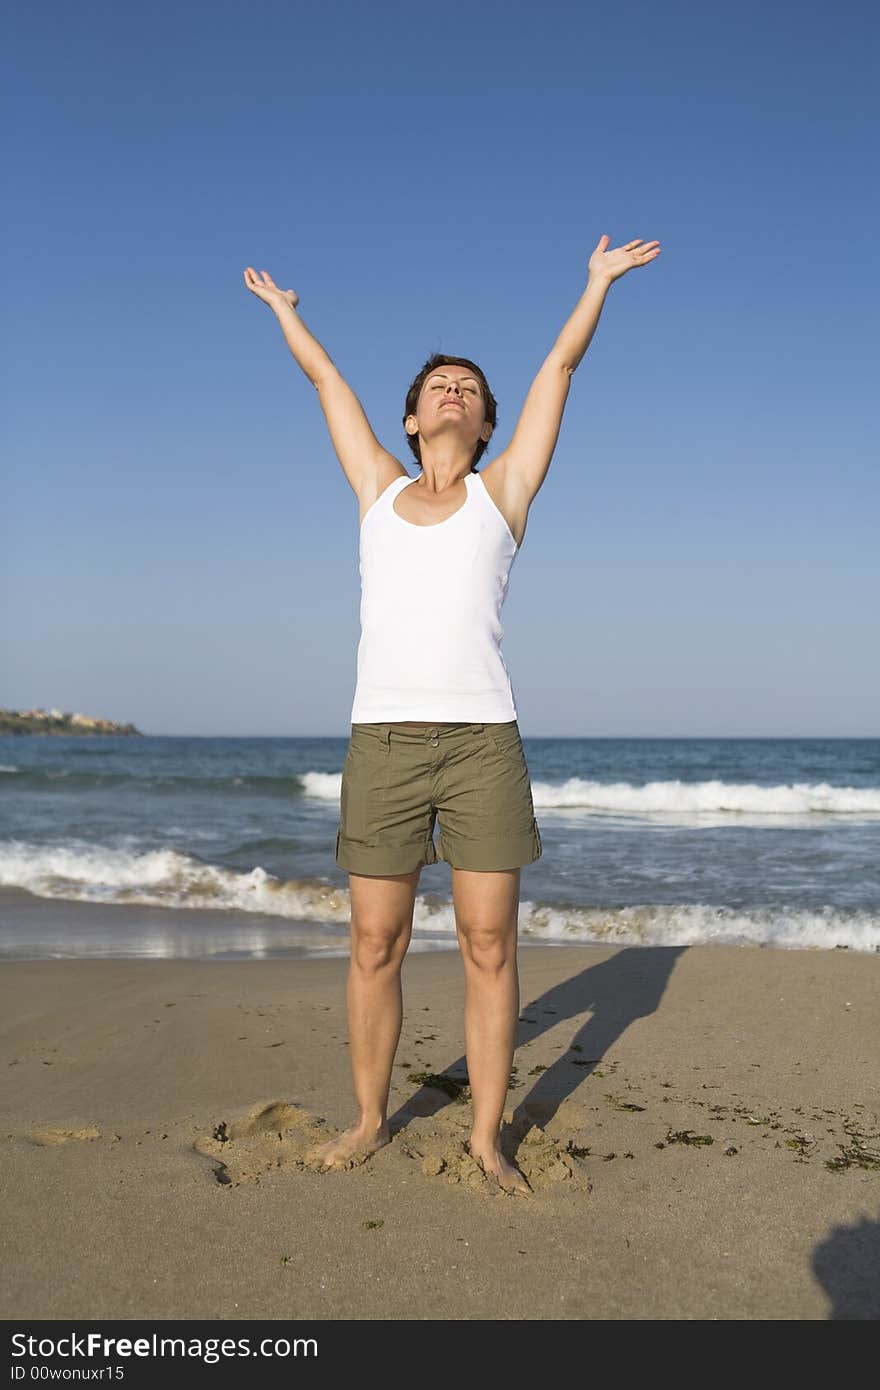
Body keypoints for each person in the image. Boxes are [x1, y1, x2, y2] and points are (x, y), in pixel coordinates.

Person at [243, 234, 660, 1194]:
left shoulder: (502, 494)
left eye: (471, 386)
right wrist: (286, 310)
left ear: (485, 424)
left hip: (481, 744)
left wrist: (594, 285)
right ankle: (366, 1119)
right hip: (383, 739)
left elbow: (559, 365)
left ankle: (484, 1136)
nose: (455, 390)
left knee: (486, 943)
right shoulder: (376, 489)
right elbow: (325, 384)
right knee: (375, 941)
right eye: (440, 383)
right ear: (412, 414)